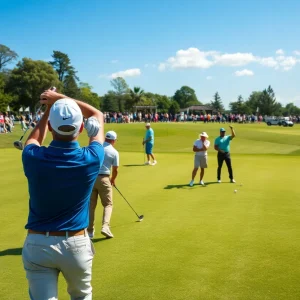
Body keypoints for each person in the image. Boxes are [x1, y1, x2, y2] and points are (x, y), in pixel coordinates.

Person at [21, 89, 105, 300]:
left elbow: (34, 140)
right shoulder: (92, 157)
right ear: (82, 127)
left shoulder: (33, 157)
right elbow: (98, 115)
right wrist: (60, 99)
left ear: (50, 126)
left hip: (38, 244)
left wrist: (50, 107)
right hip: (76, 244)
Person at [88, 130, 119, 239]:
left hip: (92, 179)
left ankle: (90, 231)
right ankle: (105, 227)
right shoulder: (114, 152)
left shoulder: (97, 148)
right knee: (108, 204)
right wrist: (113, 179)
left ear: (106, 138)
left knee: (91, 206)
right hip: (105, 179)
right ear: (113, 140)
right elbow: (115, 170)